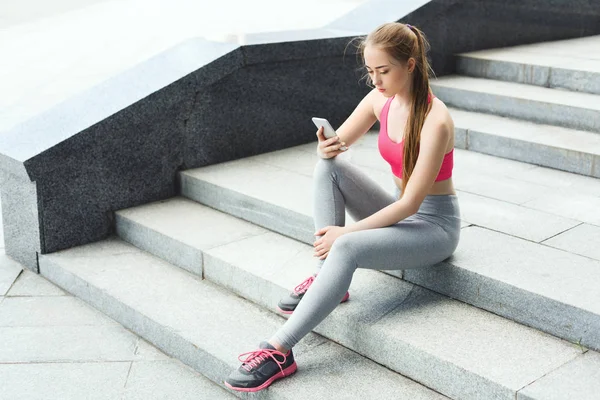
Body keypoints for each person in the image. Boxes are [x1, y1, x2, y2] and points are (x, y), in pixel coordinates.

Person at [224, 21, 461, 393]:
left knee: (347, 246)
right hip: (400, 213)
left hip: (434, 228)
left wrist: (344, 233)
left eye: (384, 71)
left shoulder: (436, 120)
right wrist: (326, 146)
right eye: (370, 71)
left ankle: (279, 350)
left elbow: (412, 203)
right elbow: (338, 144)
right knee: (329, 168)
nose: (376, 81)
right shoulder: (378, 100)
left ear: (411, 65)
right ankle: (326, 276)